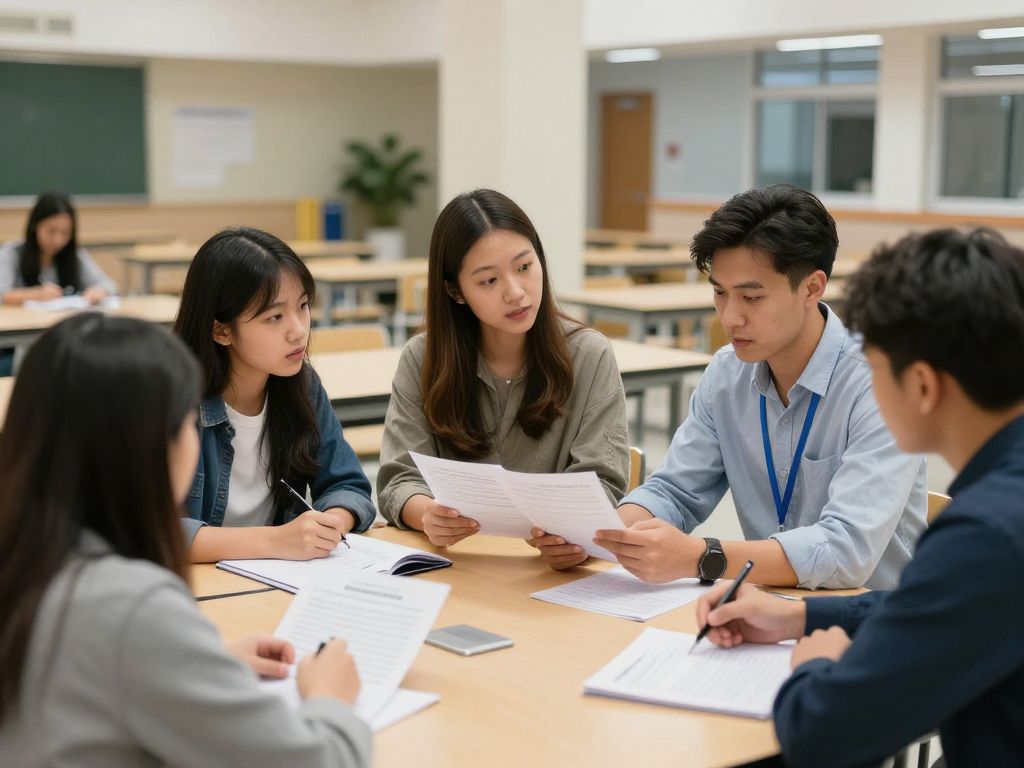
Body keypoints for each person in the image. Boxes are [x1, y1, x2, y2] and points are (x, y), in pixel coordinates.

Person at [694, 228, 1024, 767]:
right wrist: (802, 618)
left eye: (873, 369)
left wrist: (813, 664)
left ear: (921, 386)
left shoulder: (986, 532)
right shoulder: (1002, 498)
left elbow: (821, 731)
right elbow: (929, 607)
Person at [0, 314, 370, 767]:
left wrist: (198, 661)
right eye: (184, 423)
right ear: (151, 445)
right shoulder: (130, 605)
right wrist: (331, 698)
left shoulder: (28, 559)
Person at [596, 185, 926, 589]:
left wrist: (703, 557)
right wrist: (603, 535)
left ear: (812, 288)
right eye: (719, 292)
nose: (730, 317)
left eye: (752, 297)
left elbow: (846, 551)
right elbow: (676, 491)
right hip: (766, 612)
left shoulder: (883, 383)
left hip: (872, 623)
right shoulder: (727, 375)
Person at [377, 189, 630, 568]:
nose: (515, 292)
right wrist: (427, 514)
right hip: (459, 567)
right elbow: (400, 479)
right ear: (454, 291)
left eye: (525, 267)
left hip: (550, 575)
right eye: (488, 281)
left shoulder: (589, 356)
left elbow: (601, 483)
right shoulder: (423, 359)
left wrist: (571, 538)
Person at [173, 227, 375, 562]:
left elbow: (348, 485)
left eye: (304, 306)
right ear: (221, 331)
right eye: (275, 317)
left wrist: (332, 523)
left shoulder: (303, 386)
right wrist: (276, 542)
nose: (298, 330)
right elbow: (149, 531)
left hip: (273, 586)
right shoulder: (172, 401)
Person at [0, 191, 117, 306]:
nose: (58, 240)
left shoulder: (74, 253)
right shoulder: (11, 253)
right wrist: (36, 294)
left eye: (65, 233)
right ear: (34, 226)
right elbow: (2, 294)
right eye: (51, 231)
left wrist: (98, 292)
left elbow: (108, 285)